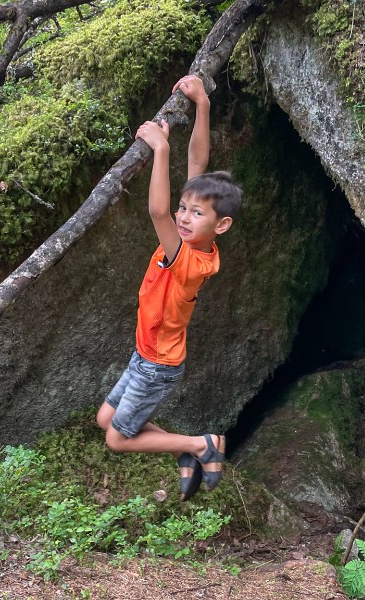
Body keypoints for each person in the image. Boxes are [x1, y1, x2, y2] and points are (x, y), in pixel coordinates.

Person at [95, 74, 242, 501]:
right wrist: (202, 106)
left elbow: (157, 209)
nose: (182, 215)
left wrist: (161, 148)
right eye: (184, 207)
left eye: (195, 213)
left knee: (117, 439)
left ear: (221, 225)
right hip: (144, 352)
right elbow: (199, 165)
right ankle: (185, 450)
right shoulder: (196, 237)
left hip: (157, 363)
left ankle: (201, 445)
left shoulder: (191, 260)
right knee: (107, 418)